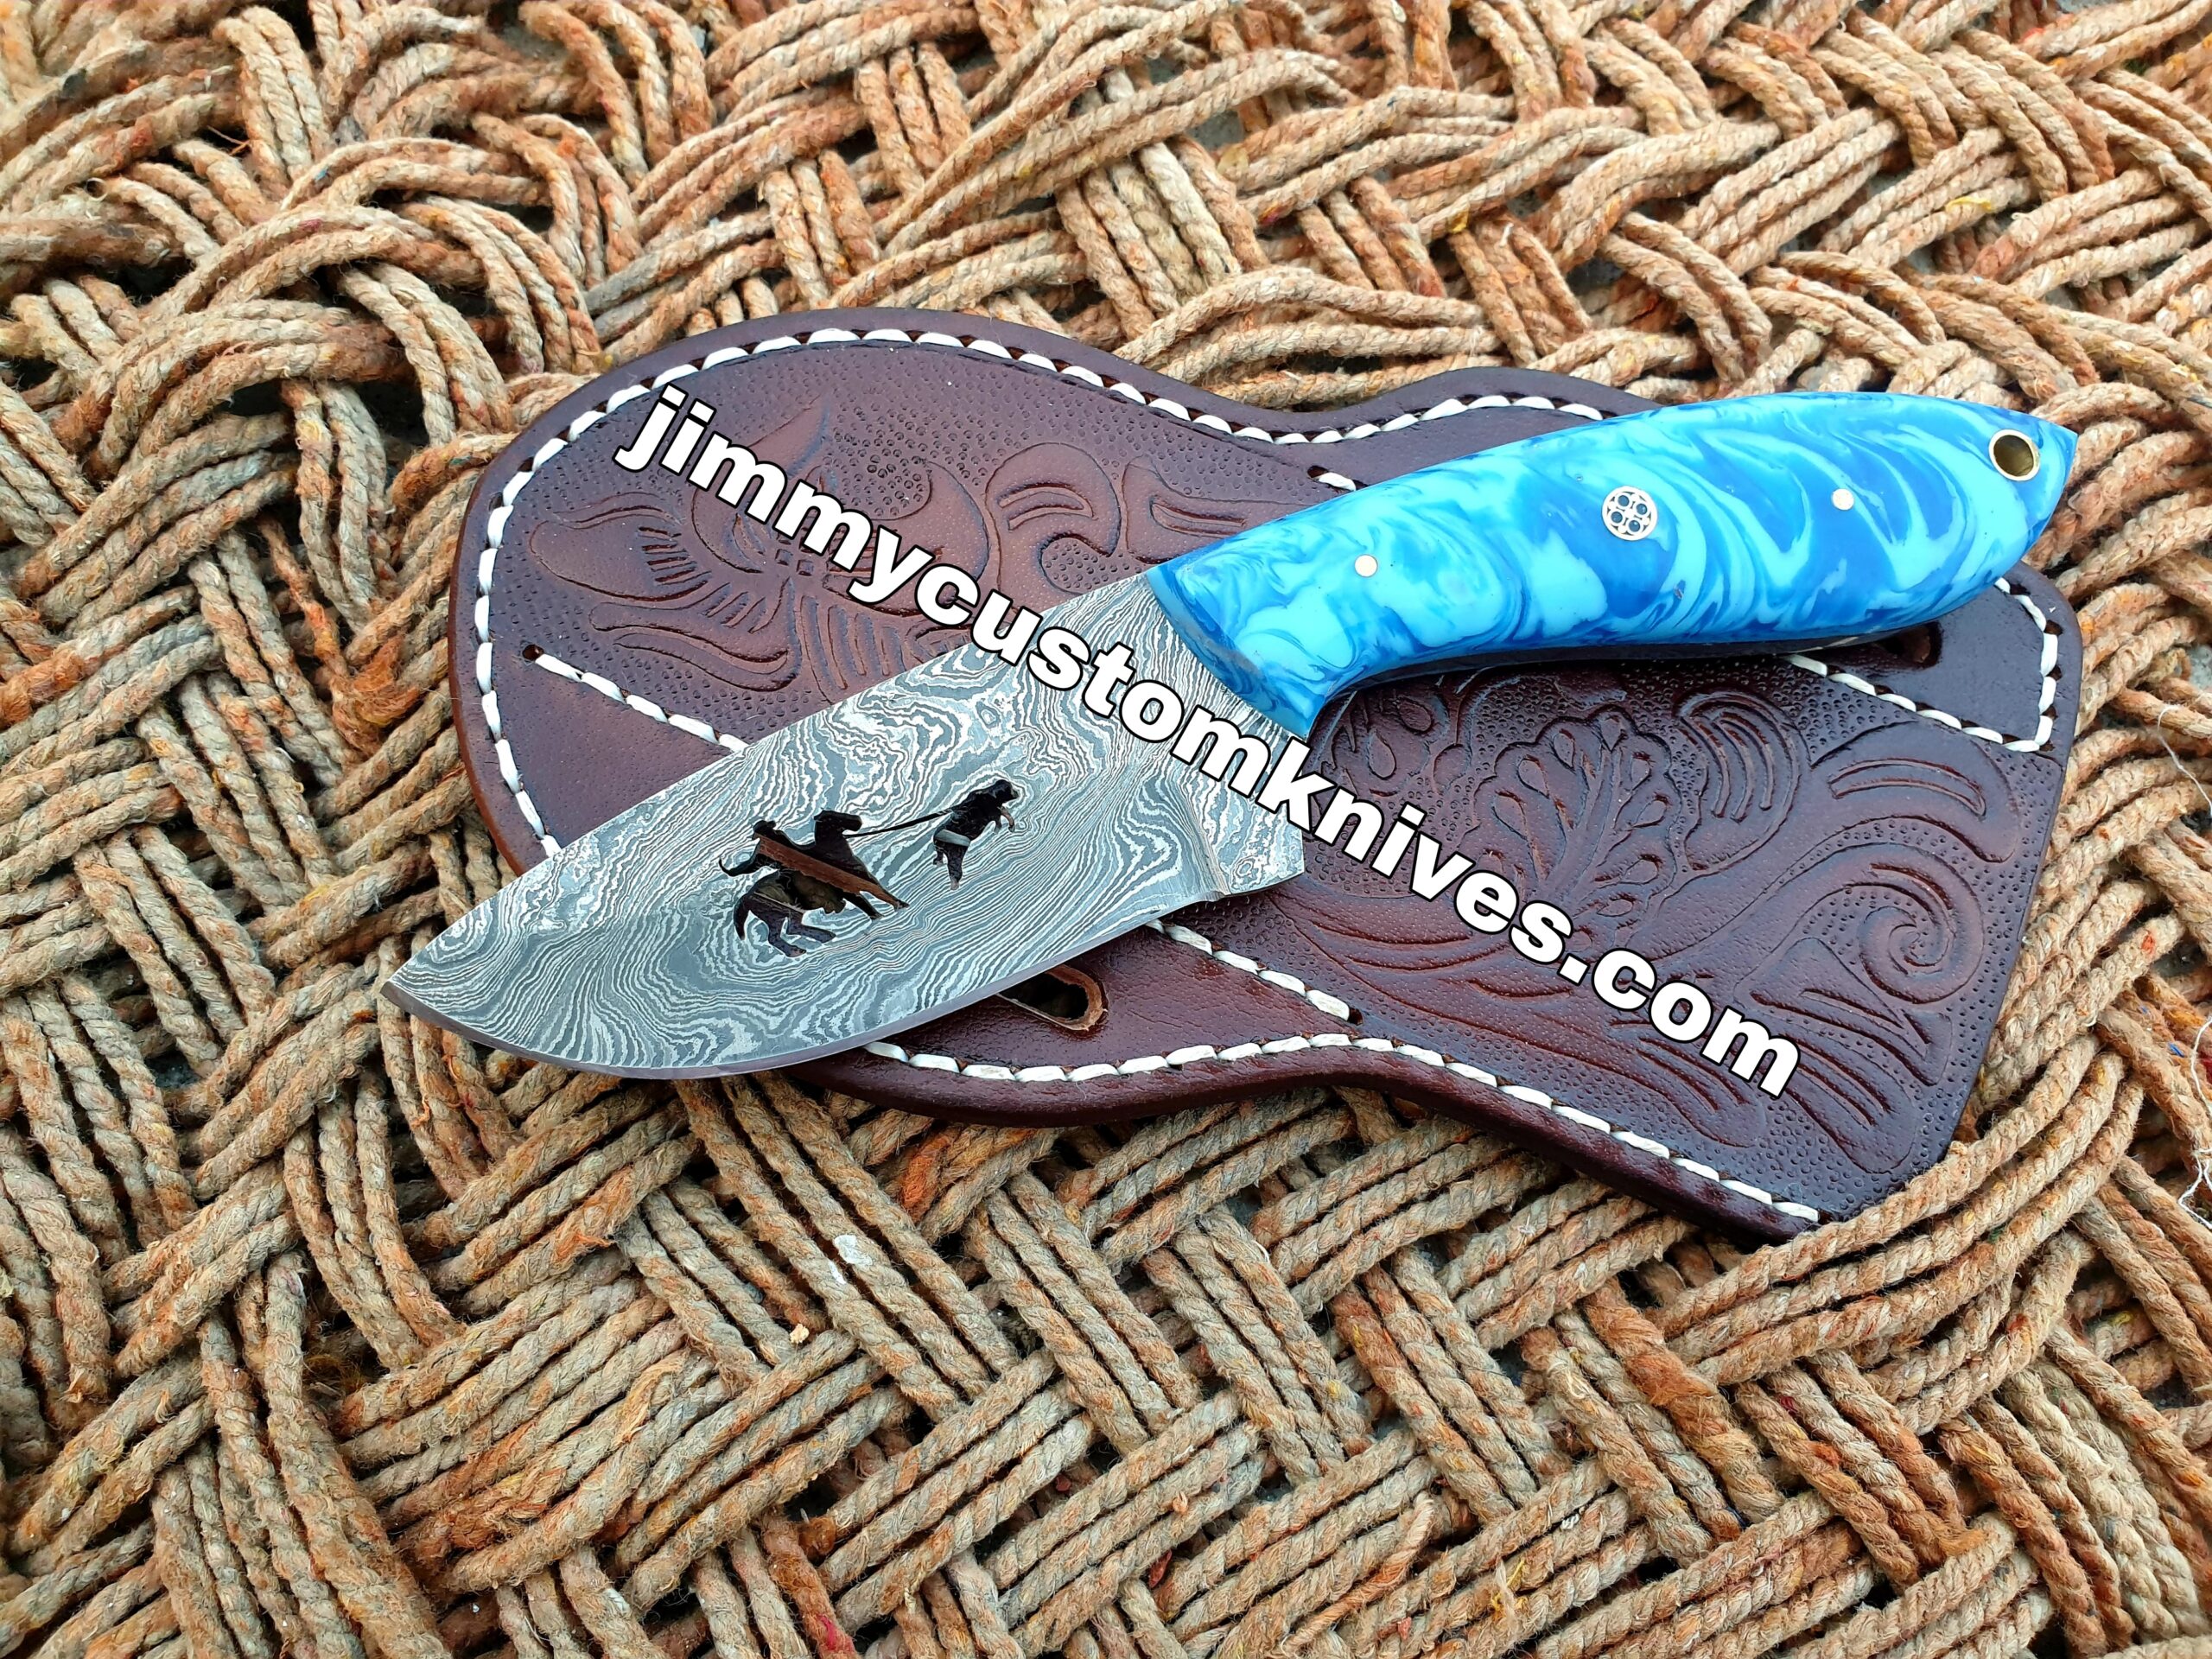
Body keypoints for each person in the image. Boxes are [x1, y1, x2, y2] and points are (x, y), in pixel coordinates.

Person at [931, 780, 1020, 886]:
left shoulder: (977, 795)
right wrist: (1007, 823)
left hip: (947, 832)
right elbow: (1008, 824)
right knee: (955, 859)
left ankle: (939, 859)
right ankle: (951, 876)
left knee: (945, 846)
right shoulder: (997, 809)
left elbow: (960, 808)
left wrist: (955, 809)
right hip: (961, 838)